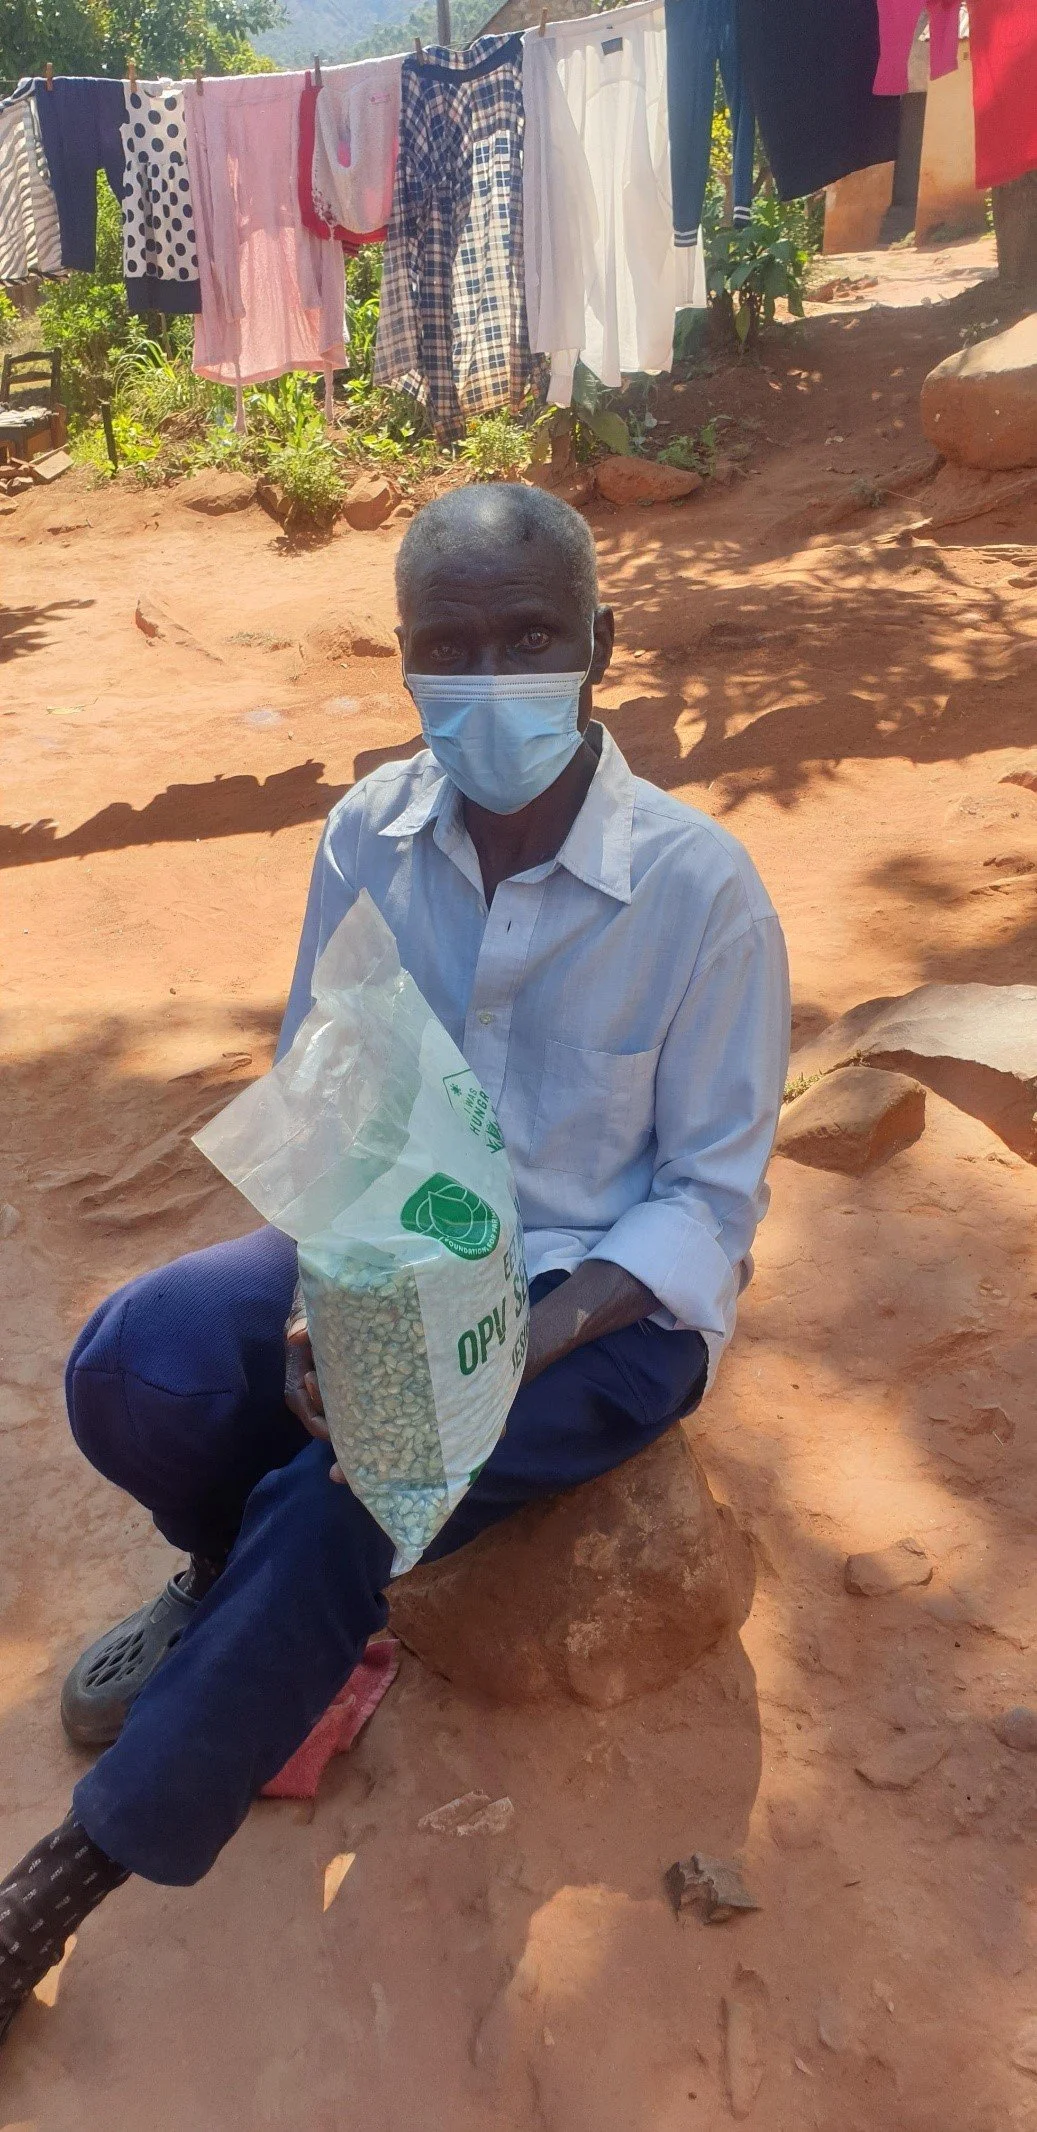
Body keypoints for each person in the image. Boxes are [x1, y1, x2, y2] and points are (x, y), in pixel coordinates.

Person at [0, 484, 790, 2043]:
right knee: (136, 1362)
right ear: (405, 656)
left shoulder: (703, 895)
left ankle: (64, 1879)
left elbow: (706, 1204)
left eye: (529, 639)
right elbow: (338, 1088)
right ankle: (228, 1583)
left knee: (359, 1481)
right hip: (404, 1237)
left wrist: (502, 1345)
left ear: (601, 647)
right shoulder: (369, 832)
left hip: (602, 1306)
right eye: (449, 647)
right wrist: (329, 1297)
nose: (487, 683)